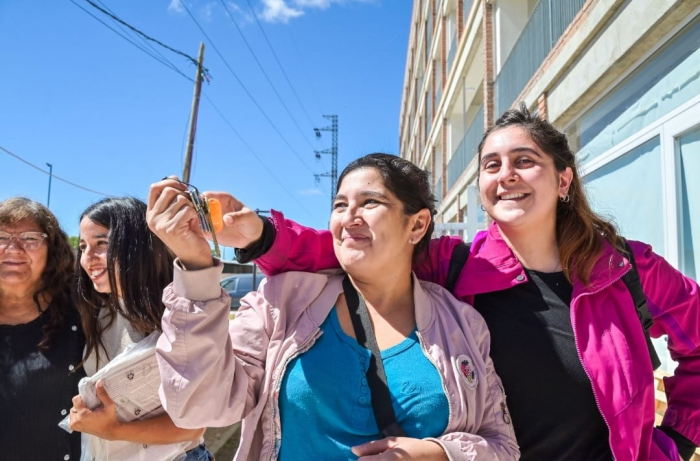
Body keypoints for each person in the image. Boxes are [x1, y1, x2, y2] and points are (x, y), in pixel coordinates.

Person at [209, 106, 700, 461]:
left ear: (564, 180)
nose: (506, 175)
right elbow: (353, 248)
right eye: (492, 165)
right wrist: (262, 234)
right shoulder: (456, 265)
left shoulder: (626, 268)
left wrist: (674, 442)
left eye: (524, 160)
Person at [145, 154, 520, 460]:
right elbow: (198, 407)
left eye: (370, 202)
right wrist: (195, 268)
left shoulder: (464, 325)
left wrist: (439, 454)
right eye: (340, 205)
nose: (348, 217)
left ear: (418, 225)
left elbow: (502, 446)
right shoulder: (281, 303)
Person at [68, 197, 211, 460]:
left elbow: (192, 426)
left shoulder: (175, 314)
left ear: (136, 246)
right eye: (83, 246)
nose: (88, 259)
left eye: (102, 244)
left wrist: (115, 430)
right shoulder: (94, 309)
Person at [0, 196, 85, 460]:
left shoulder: (83, 311)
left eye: (30, 238)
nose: (13, 248)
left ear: (52, 249)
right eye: (1, 237)